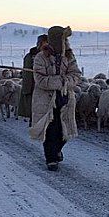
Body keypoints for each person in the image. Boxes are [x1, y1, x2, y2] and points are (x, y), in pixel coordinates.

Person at [29, 26, 81, 171]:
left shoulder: (69, 56)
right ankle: (51, 159)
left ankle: (57, 150)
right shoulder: (41, 57)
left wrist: (65, 82)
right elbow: (40, 79)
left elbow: (76, 74)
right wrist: (59, 81)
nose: (64, 42)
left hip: (65, 99)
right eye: (62, 39)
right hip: (46, 100)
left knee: (65, 131)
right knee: (50, 129)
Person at [18, 34, 47, 125]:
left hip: (44, 85)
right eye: (43, 43)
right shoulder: (30, 56)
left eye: (47, 43)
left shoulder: (49, 56)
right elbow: (26, 70)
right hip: (31, 85)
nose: (45, 45)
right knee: (32, 106)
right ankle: (33, 122)